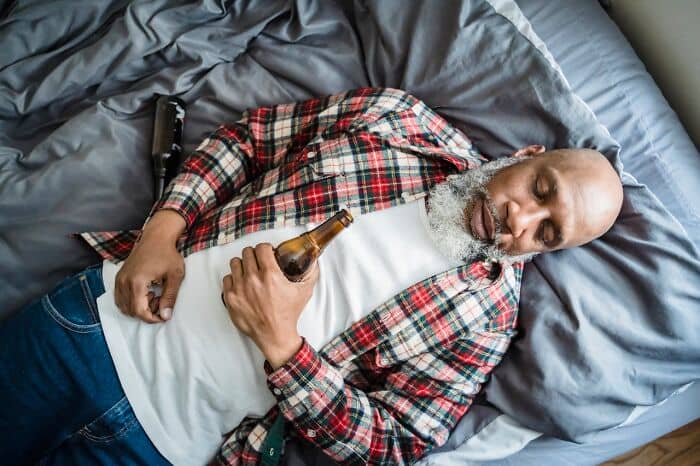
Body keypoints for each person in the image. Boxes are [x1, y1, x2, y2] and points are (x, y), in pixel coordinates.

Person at [0, 88, 623, 466]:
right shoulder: (398, 119)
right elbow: (249, 141)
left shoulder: (486, 322)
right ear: (526, 156)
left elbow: (394, 444)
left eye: (547, 232)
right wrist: (162, 230)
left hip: (160, 447)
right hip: (88, 329)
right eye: (540, 189)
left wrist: (283, 345)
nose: (521, 219)